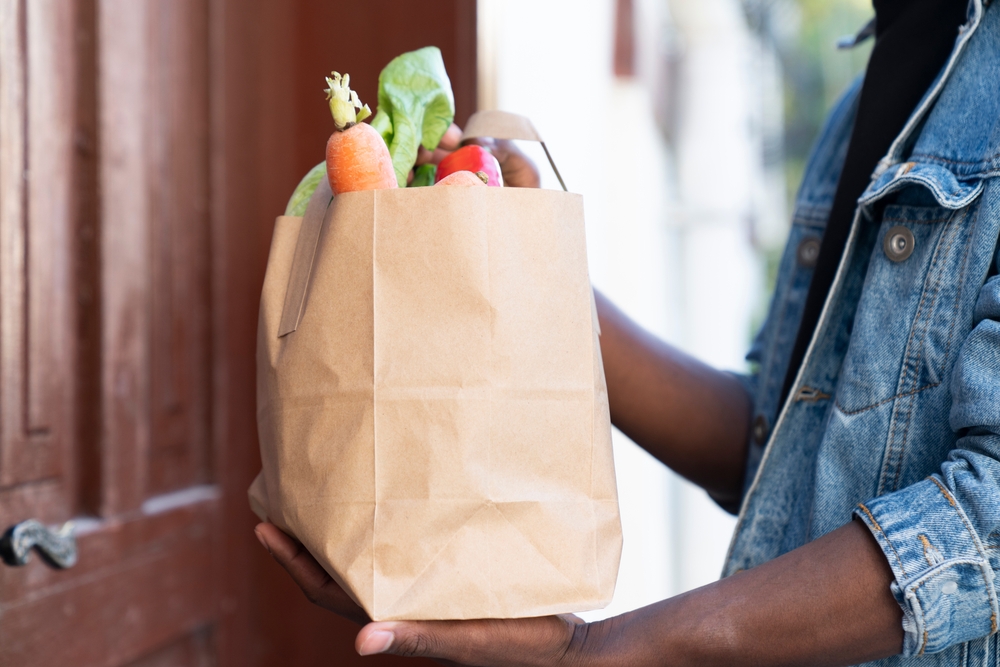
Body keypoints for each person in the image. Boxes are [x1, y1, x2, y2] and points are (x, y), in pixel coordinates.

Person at [254, 0, 1000, 663]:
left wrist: (597, 648)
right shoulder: (878, 87)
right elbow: (779, 446)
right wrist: (518, 279)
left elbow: (986, 516)